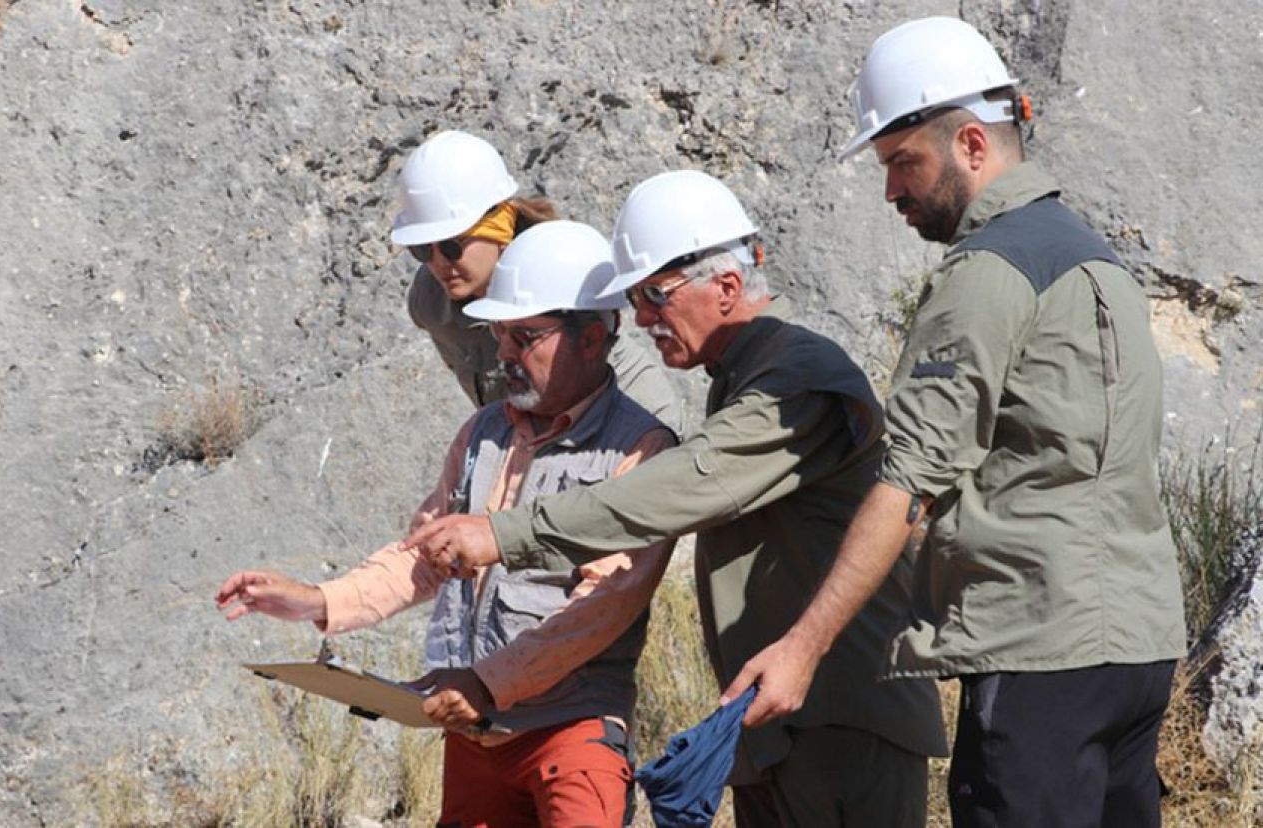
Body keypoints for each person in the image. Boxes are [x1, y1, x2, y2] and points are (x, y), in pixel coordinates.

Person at [721, 16, 1187, 828]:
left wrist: (802, 647)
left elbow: (909, 483)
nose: (891, 191)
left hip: (1040, 651)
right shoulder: (1096, 259)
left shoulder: (985, 271)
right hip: (1139, 651)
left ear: (973, 144)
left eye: (905, 162)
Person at [408, 170, 948, 827]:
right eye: (634, 298)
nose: (639, 319)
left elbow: (690, 482)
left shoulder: (796, 375)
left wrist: (506, 533)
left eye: (655, 296)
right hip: (779, 725)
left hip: (844, 719)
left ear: (725, 286)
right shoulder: (745, 374)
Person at [216, 220, 677, 827]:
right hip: (476, 736)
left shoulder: (641, 450)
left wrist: (487, 682)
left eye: (524, 336)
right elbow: (423, 556)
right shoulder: (485, 432)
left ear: (591, 337)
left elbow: (603, 606)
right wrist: (316, 600)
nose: (504, 353)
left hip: (572, 732)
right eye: (498, 334)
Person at [391, 129, 684, 432]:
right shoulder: (430, 301)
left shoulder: (565, 275)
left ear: (499, 229)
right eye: (422, 249)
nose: (438, 263)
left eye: (453, 247)